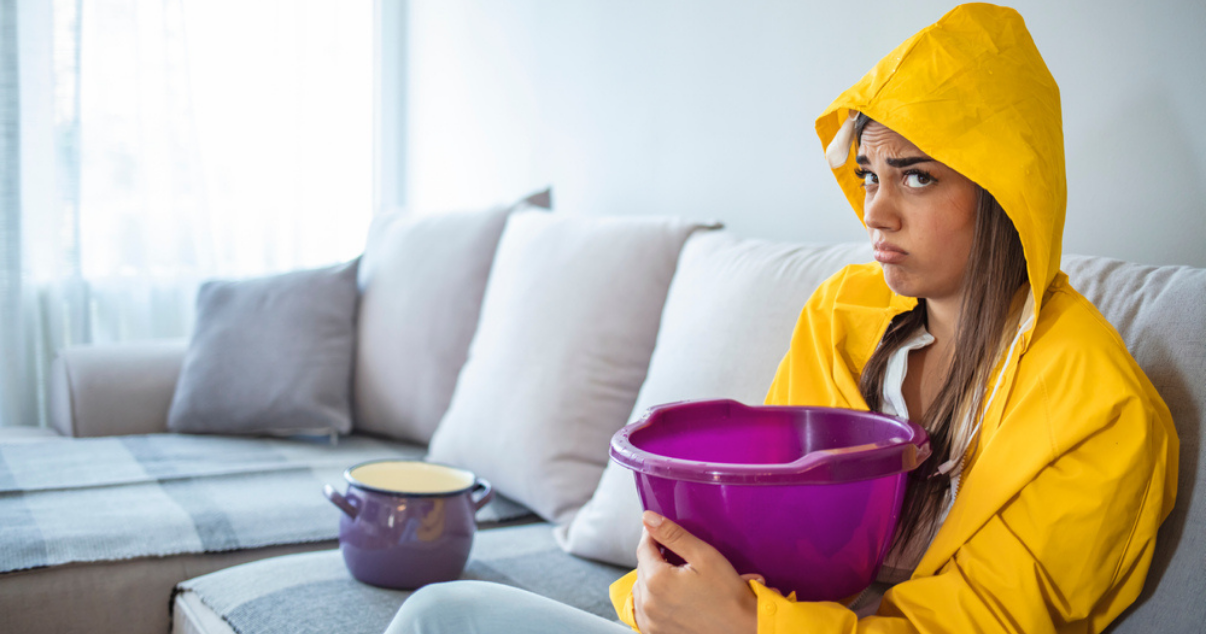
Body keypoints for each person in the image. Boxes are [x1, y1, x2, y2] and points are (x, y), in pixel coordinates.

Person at [384, 4, 1178, 633]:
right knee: (437, 614)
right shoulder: (844, 313)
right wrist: (678, 573)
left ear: (1007, 193)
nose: (877, 210)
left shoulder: (1103, 415)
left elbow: (993, 623)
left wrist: (754, 626)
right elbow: (760, 524)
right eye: (868, 174)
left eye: (918, 178)